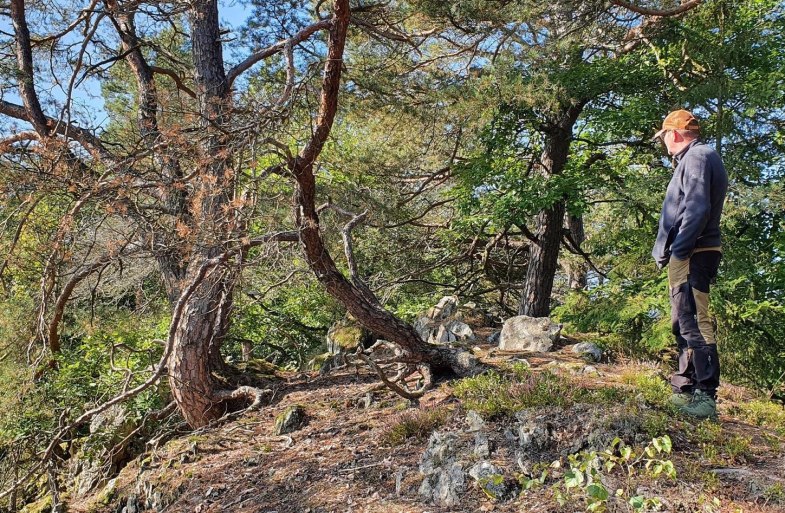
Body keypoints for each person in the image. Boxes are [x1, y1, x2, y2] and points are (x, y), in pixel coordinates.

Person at [651, 109, 728, 420]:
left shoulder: (697, 157)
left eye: (664, 137)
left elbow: (697, 207)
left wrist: (680, 250)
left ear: (675, 134)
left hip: (694, 252)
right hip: (689, 252)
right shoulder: (694, 159)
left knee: (696, 321)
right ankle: (685, 388)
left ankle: (705, 397)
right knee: (682, 321)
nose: (663, 143)